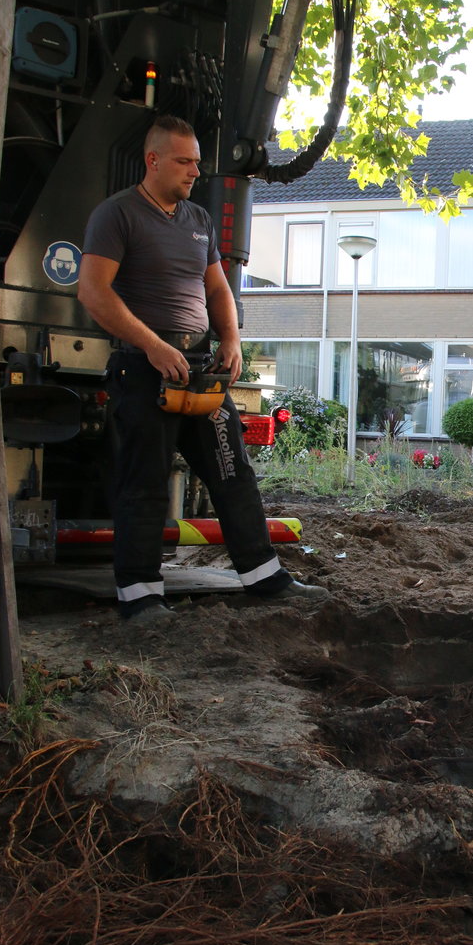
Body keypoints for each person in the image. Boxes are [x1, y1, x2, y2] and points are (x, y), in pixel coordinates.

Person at [78, 114, 329, 622]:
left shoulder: (198, 220)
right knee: (144, 482)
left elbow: (217, 288)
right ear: (152, 161)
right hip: (143, 369)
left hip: (200, 370)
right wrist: (151, 345)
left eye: (197, 161)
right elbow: (93, 292)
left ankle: (265, 579)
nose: (195, 171)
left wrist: (232, 338)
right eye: (184, 161)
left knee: (233, 469)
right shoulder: (117, 215)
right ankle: (141, 596)